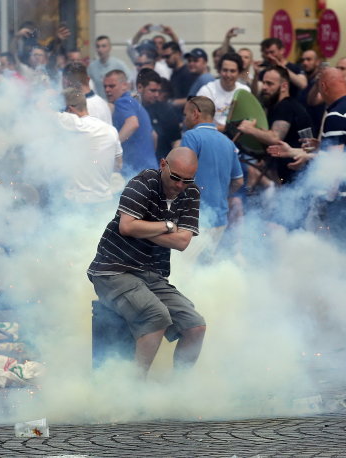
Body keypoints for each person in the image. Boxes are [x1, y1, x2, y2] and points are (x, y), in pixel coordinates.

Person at [87, 146, 206, 377]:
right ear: (163, 165)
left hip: (152, 274)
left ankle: (180, 390)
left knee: (195, 325)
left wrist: (141, 229)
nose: (180, 185)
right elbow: (127, 226)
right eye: (176, 178)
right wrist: (168, 225)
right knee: (156, 315)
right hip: (112, 270)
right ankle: (135, 389)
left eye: (187, 180)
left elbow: (182, 242)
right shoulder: (143, 182)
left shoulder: (191, 193)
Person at [269, 68, 346, 244]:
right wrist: (310, 150)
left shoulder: (336, 115)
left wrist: (327, 200)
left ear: (324, 87)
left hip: (345, 198)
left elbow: (332, 166)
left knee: (342, 250)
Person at [181, 96, 243, 260]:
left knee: (184, 270)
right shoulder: (228, 143)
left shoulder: (191, 136)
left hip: (195, 218)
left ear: (195, 113)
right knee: (205, 270)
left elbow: (182, 173)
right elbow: (238, 181)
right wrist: (221, 194)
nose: (184, 118)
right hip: (220, 219)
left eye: (186, 114)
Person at [237, 66, 312, 186]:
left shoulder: (285, 106)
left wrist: (249, 129)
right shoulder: (276, 106)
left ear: (284, 86)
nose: (265, 87)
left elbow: (275, 138)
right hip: (290, 175)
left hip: (296, 178)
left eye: (270, 84)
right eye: (264, 83)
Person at [57, 88, 122, 205]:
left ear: (69, 110)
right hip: (105, 200)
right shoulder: (111, 130)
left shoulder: (75, 124)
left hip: (79, 203)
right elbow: (118, 165)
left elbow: (42, 112)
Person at [103, 69, 156, 177]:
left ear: (124, 86)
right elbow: (155, 136)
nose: (107, 90)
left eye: (112, 86)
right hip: (151, 168)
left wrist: (112, 145)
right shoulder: (134, 103)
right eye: (105, 86)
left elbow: (132, 124)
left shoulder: (123, 101)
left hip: (137, 173)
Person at [196, 52, 251, 131]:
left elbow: (248, 120)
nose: (228, 75)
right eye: (225, 70)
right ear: (219, 71)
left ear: (239, 73)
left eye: (232, 71)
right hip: (212, 134)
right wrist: (226, 128)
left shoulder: (245, 91)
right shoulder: (207, 90)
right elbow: (199, 122)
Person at [136, 68, 182, 163]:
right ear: (140, 87)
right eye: (152, 91)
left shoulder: (166, 110)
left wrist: (171, 164)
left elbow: (176, 141)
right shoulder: (131, 109)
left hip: (160, 165)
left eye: (158, 91)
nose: (157, 95)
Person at [162, 41, 197, 107]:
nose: (165, 60)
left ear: (178, 54)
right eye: (164, 57)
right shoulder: (174, 74)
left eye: (167, 56)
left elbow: (193, 98)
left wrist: (172, 103)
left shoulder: (187, 73)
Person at [297, 49, 325, 133]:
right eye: (303, 60)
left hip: (317, 128)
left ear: (317, 62)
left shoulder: (322, 80)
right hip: (303, 129)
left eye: (309, 59)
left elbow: (313, 101)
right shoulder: (302, 80)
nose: (305, 63)